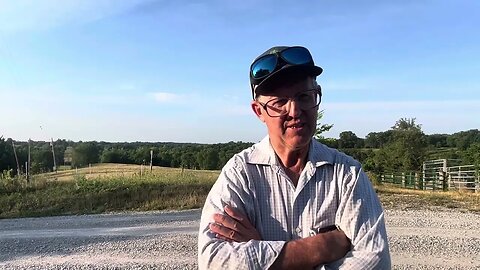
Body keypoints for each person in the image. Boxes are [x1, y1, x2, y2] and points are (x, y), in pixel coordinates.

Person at [197, 45, 391, 269]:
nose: (295, 111)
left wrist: (265, 255)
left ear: (317, 97)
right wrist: (320, 248)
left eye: (304, 97)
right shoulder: (240, 174)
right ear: (259, 111)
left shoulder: (346, 174)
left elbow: (375, 262)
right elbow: (213, 261)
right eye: (279, 102)